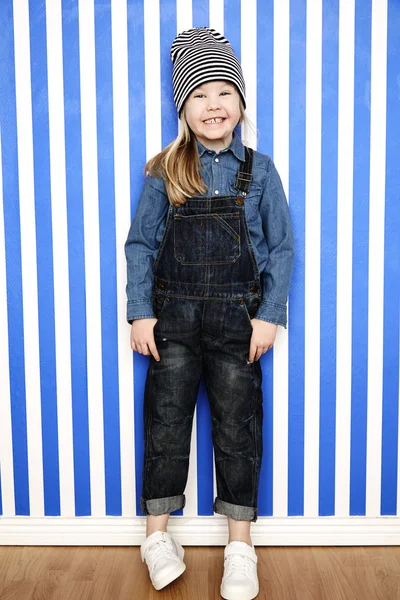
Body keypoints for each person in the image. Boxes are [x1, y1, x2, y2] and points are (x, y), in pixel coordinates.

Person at [125, 27, 294, 600]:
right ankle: (156, 538)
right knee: (165, 423)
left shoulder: (261, 171)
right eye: (199, 93)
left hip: (237, 326)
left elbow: (280, 249)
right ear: (184, 108)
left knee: (238, 426)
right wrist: (139, 313)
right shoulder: (164, 169)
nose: (213, 102)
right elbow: (142, 246)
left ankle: (240, 546)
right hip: (171, 322)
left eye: (224, 90)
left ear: (241, 103)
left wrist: (270, 314)